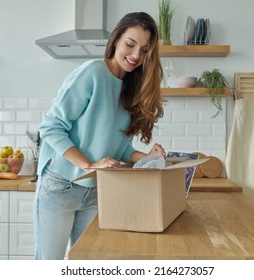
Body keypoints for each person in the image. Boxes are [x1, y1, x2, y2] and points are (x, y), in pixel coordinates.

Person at [33, 12, 166, 260]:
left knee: (88, 264)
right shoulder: (92, 73)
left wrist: (147, 157)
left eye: (145, 50)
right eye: (130, 44)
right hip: (60, 184)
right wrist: (89, 164)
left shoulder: (131, 87)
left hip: (95, 188)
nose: (136, 55)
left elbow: (121, 148)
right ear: (116, 40)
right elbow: (51, 126)